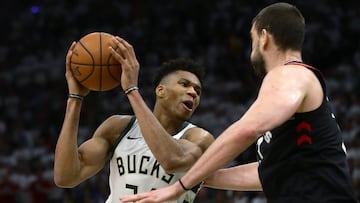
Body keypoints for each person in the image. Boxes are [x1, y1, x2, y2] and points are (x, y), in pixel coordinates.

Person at [120, 2, 358, 203]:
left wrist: (179, 186)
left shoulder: (288, 74)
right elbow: (267, 173)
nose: (252, 48)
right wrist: (199, 176)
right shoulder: (294, 99)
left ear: (264, 37)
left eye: (252, 39)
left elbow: (247, 129)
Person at [53, 36, 214, 203]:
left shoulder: (198, 138)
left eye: (198, 90)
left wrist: (132, 90)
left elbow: (172, 160)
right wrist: (75, 99)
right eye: (184, 84)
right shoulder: (119, 128)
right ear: (160, 91)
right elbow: (65, 177)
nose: (193, 92)